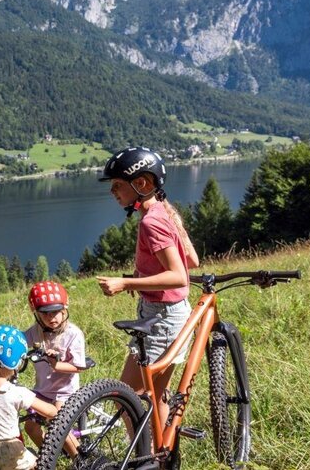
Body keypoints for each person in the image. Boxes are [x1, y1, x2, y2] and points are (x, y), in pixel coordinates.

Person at [95, 146, 197, 425]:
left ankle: (145, 461)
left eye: (117, 185)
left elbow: (179, 275)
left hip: (161, 318)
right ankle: (161, 458)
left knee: (130, 400)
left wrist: (126, 282)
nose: (112, 191)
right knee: (155, 396)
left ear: (142, 183)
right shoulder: (163, 212)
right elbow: (193, 260)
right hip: (167, 313)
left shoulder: (152, 222)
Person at [0, 325, 57, 470]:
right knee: (39, 464)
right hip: (8, 452)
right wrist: (56, 409)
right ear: (18, 362)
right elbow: (50, 412)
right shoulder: (17, 392)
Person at [21, 281, 91, 453]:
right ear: (36, 313)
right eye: (45, 314)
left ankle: (80, 460)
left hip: (65, 391)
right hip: (43, 390)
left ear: (64, 309)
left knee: (57, 424)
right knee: (30, 427)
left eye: (56, 312)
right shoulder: (36, 331)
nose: (52, 318)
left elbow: (79, 367)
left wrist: (56, 364)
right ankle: (52, 454)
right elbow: (19, 340)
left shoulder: (73, 334)